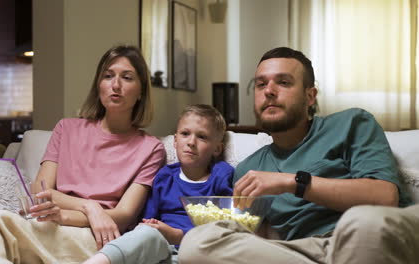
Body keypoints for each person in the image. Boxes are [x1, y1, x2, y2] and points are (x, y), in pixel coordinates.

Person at [178, 47, 419, 264]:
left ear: (310, 96)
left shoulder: (351, 123)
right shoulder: (249, 170)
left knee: (362, 221)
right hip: (303, 253)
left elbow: (385, 197)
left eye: (283, 82)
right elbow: (255, 239)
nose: (269, 91)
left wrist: (292, 182)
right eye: (261, 84)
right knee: (197, 243)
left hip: (370, 239)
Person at [0, 44, 166, 263]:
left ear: (141, 91)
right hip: (49, 223)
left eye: (127, 78)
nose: (116, 85)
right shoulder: (66, 128)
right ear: (98, 85)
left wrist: (65, 215)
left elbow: (124, 215)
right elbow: (40, 191)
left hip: (92, 235)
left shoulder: (151, 148)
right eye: (108, 76)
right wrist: (90, 206)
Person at [83, 104, 234, 264]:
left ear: (217, 148)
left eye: (202, 136)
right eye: (185, 134)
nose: (191, 142)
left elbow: (225, 228)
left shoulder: (221, 175)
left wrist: (177, 235)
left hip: (199, 251)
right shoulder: (165, 176)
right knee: (145, 232)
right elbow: (148, 219)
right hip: (161, 248)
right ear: (175, 141)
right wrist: (152, 227)